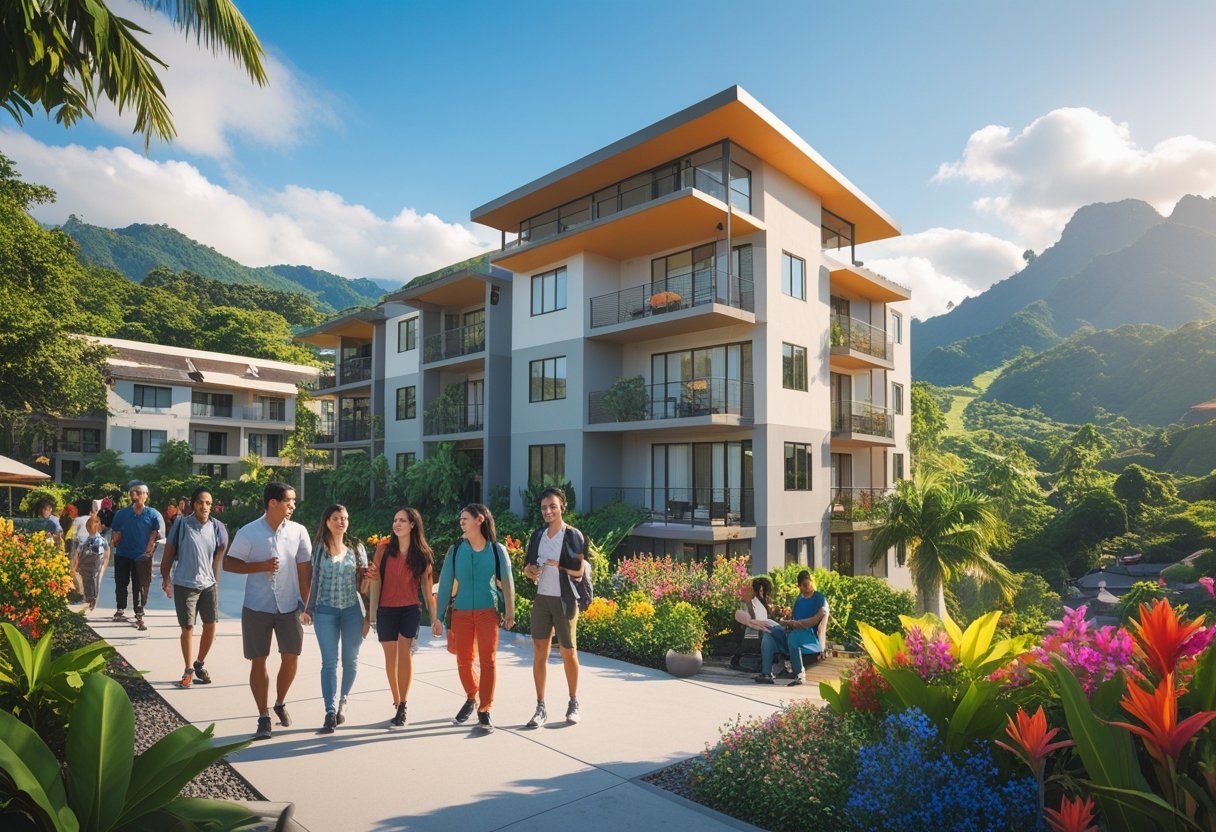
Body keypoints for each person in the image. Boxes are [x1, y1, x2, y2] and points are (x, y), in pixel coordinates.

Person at [223, 481, 312, 740]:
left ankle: (280, 702)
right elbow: (229, 563)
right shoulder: (249, 532)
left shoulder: (298, 531)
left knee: (291, 656)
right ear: (273, 503)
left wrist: (308, 605)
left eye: (293, 501)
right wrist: (260, 566)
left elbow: (305, 569)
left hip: (289, 606)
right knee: (258, 660)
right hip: (256, 606)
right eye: (289, 501)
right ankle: (263, 716)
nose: (293, 506)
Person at [433, 502, 514, 732]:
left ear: (480, 520)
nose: (461, 523)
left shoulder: (497, 550)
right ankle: (472, 696)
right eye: (460, 520)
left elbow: (508, 582)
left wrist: (510, 611)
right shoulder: (456, 549)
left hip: (488, 612)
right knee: (463, 660)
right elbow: (446, 583)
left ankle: (484, 709)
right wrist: (439, 616)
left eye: (465, 518)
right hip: (461, 614)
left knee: (488, 661)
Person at [365, 507, 440, 728]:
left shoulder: (423, 555)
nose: (397, 524)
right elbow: (375, 579)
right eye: (395, 520)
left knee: (404, 652)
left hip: (409, 608)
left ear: (412, 525)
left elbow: (428, 592)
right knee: (391, 659)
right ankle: (397, 701)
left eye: (402, 520)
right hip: (386, 609)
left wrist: (435, 619)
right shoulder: (384, 549)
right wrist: (370, 611)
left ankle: (404, 704)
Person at [301, 504, 369, 734]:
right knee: (329, 662)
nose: (342, 522)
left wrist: (368, 581)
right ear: (327, 521)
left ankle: (343, 702)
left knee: (351, 660)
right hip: (325, 611)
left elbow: (363, 586)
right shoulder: (319, 548)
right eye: (337, 518)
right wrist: (308, 609)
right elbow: (314, 581)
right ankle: (330, 712)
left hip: (351, 610)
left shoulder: (357, 548)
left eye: (345, 518)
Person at [521, 486, 587, 728]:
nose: (548, 511)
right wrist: (531, 571)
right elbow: (528, 568)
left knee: (568, 652)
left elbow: (579, 572)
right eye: (544, 507)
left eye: (552, 506)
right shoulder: (538, 536)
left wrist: (556, 565)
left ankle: (573, 703)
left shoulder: (573, 536)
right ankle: (540, 707)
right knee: (540, 654)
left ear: (562, 507)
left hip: (565, 599)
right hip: (542, 600)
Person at [160, 487, 228, 689]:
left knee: (211, 625)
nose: (205, 506)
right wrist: (166, 578)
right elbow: (169, 553)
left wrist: (215, 582)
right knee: (188, 627)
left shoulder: (217, 527)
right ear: (193, 504)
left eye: (208, 503)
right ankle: (188, 669)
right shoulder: (182, 525)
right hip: (185, 584)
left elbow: (218, 556)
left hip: (208, 585)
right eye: (201, 502)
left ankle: (199, 663)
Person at [755, 570, 827, 687]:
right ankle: (766, 673)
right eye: (802, 585)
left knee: (794, 636)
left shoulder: (819, 598)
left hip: (809, 637)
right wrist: (784, 623)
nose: (806, 587)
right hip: (793, 633)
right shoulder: (799, 600)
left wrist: (793, 623)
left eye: (808, 584)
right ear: (799, 586)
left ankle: (799, 674)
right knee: (768, 631)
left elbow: (814, 620)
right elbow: (793, 622)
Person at [109, 482, 162, 631]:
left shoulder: (152, 514)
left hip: (142, 555)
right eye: (133, 492)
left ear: (146, 496)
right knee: (121, 582)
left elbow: (156, 531)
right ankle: (120, 608)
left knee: (140, 583)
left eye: (139, 492)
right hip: (123, 553)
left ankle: (139, 609)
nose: (135, 495)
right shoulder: (122, 513)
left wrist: (150, 545)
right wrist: (115, 539)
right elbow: (116, 531)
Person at [732, 577, 774, 670]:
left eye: (764, 591)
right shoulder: (748, 604)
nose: (762, 594)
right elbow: (752, 621)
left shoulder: (761, 604)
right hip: (753, 640)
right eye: (760, 591)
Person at [72, 515, 109, 611]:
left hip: (95, 563)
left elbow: (105, 551)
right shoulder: (85, 539)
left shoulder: (101, 540)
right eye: (88, 526)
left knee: (93, 579)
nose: (89, 528)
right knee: (86, 580)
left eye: (91, 526)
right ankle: (89, 597)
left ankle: (93, 598)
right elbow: (79, 550)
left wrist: (104, 562)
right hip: (85, 563)